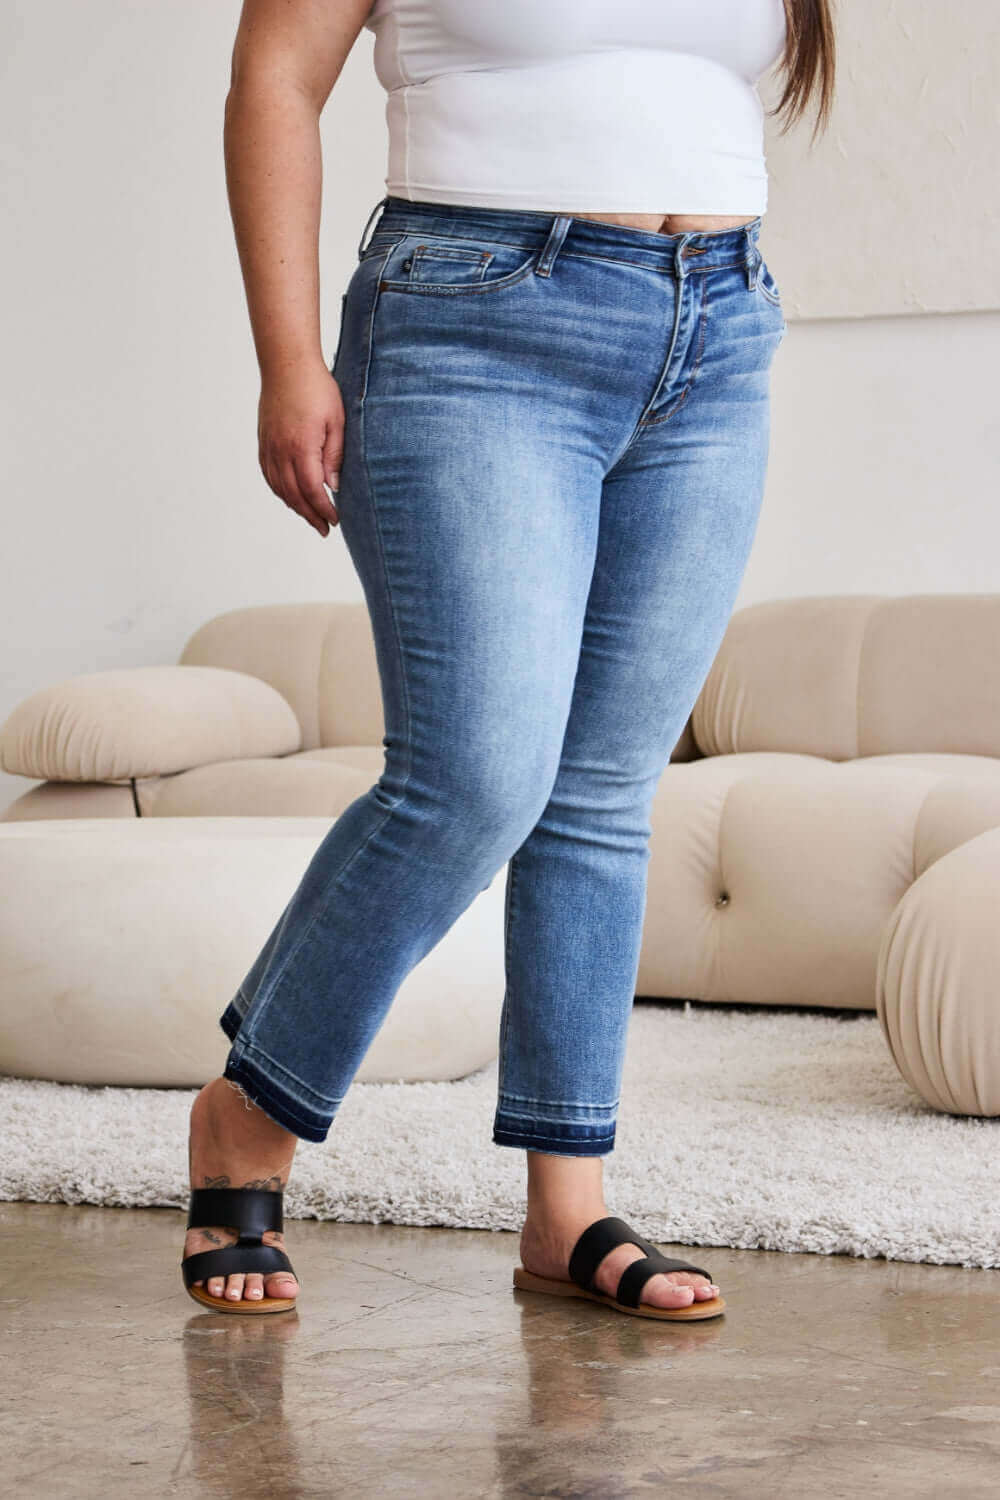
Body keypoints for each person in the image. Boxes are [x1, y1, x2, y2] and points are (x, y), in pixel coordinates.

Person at [181, 0, 835, 1318]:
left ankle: (567, 1207)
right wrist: (287, 355)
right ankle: (251, 1114)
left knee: (601, 791)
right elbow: (275, 72)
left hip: (717, 325)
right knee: (474, 777)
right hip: (476, 321)